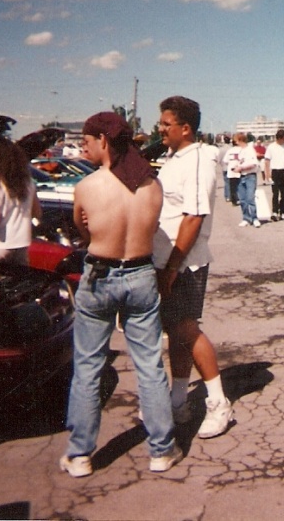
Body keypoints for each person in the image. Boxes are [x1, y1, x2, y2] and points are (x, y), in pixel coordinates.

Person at [62, 112, 182, 478]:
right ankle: (162, 450)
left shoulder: (88, 186)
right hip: (142, 274)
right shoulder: (152, 185)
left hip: (100, 276)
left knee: (88, 367)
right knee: (149, 365)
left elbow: (83, 230)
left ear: (103, 140)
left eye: (87, 141)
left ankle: (80, 454)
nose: (84, 147)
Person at [153, 96, 235, 442]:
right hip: (165, 261)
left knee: (187, 330)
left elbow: (194, 216)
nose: (160, 129)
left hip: (183, 263)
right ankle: (178, 400)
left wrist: (172, 267)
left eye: (165, 124)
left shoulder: (199, 159)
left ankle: (218, 403)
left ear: (185, 128)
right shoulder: (173, 158)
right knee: (176, 331)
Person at [263, 129, 284, 222]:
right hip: (275, 172)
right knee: (275, 193)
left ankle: (282, 212)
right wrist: (267, 173)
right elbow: (267, 161)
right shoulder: (271, 147)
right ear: (279, 138)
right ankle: (274, 212)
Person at [233, 132, 261, 227]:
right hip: (241, 176)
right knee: (242, 199)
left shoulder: (250, 150)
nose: (236, 143)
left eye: (236, 141)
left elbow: (253, 164)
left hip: (250, 176)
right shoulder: (241, 151)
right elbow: (241, 162)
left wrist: (241, 168)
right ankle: (246, 218)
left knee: (250, 198)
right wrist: (237, 167)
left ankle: (254, 218)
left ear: (240, 140)